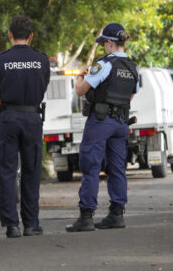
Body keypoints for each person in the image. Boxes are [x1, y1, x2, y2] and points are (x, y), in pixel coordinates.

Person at [66, 23, 139, 232]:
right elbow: (131, 95)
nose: (103, 47)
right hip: (121, 123)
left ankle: (86, 216)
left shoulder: (104, 64)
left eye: (103, 43)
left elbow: (81, 91)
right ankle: (116, 214)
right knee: (117, 168)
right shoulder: (134, 68)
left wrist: (80, 74)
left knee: (90, 166)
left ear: (109, 43)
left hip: (100, 121)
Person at [0, 15, 50, 238]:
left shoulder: (0, 60)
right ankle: (31, 224)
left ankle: (11, 224)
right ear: (31, 36)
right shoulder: (41, 59)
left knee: (7, 171)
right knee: (31, 171)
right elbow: (44, 85)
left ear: (10, 35)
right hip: (32, 118)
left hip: (9, 118)